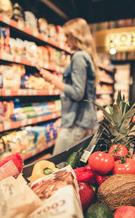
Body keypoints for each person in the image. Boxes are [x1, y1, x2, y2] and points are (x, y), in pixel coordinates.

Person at [40, 18, 100, 155]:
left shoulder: (79, 57)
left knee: (58, 164)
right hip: (82, 120)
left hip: (75, 122)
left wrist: (53, 79)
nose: (65, 40)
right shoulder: (86, 56)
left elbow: (77, 93)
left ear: (76, 35)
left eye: (67, 36)